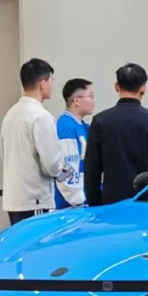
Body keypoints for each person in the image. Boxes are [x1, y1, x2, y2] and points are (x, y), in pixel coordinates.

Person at [84, 63, 148, 206]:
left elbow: (92, 172)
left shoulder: (100, 121)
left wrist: (95, 205)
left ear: (117, 86)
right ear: (143, 88)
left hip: (112, 206)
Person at [1, 58, 70, 225]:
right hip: (35, 198)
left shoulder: (10, 113)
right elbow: (51, 164)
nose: (53, 85)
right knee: (37, 241)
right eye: (52, 80)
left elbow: (4, 154)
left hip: (14, 197)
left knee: (21, 240)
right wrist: (64, 171)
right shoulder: (41, 116)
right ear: (43, 83)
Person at [55, 78, 94, 208]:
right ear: (77, 100)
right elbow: (65, 169)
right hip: (72, 205)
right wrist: (78, 200)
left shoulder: (83, 126)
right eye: (90, 96)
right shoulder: (66, 126)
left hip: (84, 199)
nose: (93, 101)